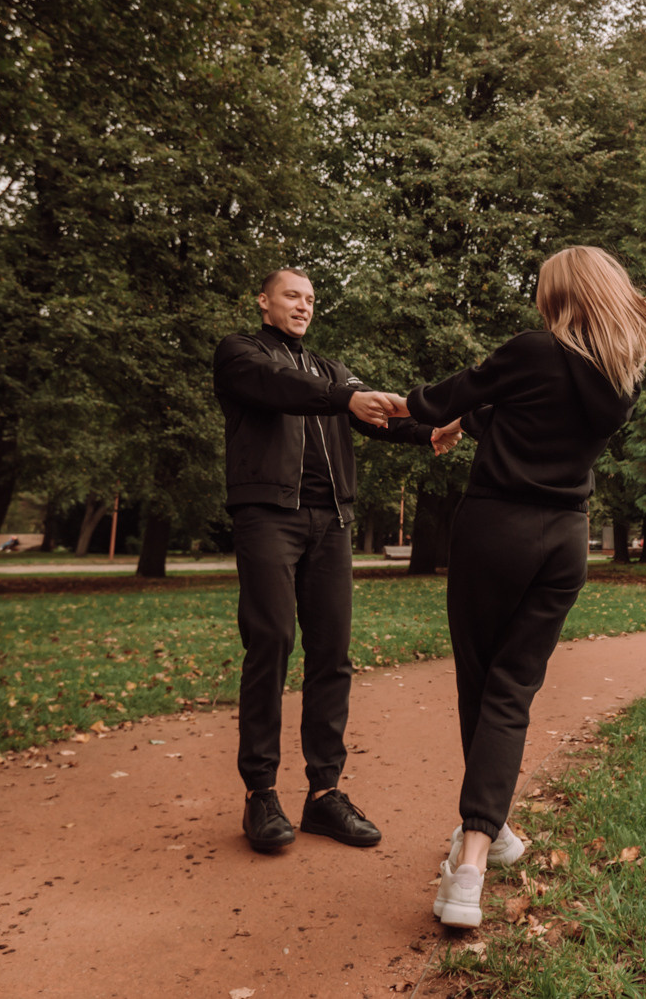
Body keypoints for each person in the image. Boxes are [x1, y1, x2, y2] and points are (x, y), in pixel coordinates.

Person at [405, 246, 646, 927]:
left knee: (480, 680)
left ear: (561, 295)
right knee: (512, 690)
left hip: (496, 529)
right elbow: (519, 413)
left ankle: (470, 861)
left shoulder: (532, 350)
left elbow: (457, 392)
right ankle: (489, 835)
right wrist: (468, 422)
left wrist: (408, 407)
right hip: (564, 543)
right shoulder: (621, 377)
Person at [214, 268, 461, 853]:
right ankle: (260, 794)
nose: (303, 306)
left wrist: (427, 430)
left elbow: (374, 412)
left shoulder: (330, 370)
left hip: (331, 521)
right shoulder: (241, 354)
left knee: (332, 654)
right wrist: (345, 395)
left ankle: (324, 794)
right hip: (268, 516)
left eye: (310, 299)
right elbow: (280, 387)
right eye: (291, 296)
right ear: (264, 301)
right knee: (272, 641)